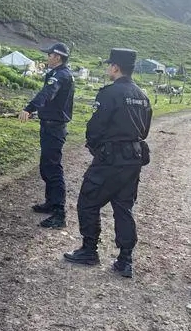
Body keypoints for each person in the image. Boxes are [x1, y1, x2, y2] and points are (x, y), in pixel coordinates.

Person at [63, 48, 152, 278]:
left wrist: (97, 148)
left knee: (88, 201)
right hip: (133, 159)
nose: (107, 68)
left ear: (115, 67)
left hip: (110, 158)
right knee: (124, 207)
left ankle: (89, 250)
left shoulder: (109, 93)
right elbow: (145, 130)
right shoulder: (142, 96)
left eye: (109, 65)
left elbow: (95, 127)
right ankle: (125, 259)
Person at [19, 42, 75, 228]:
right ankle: (51, 202)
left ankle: (59, 213)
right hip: (50, 125)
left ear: (57, 57)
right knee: (46, 166)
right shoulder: (59, 74)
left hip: (54, 128)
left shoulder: (60, 75)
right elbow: (53, 101)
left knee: (52, 168)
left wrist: (29, 108)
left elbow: (48, 93)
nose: (47, 57)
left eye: (49, 55)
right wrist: (40, 112)